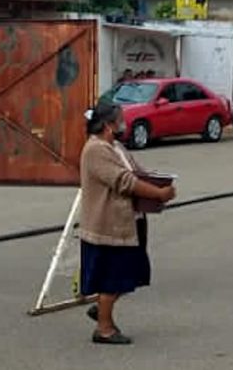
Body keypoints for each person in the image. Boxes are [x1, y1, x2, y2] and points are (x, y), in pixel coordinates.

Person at [79, 102, 176, 345]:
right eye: (120, 120)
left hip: (129, 223)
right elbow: (124, 181)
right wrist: (158, 194)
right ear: (107, 125)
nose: (124, 124)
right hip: (108, 226)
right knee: (112, 278)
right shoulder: (95, 150)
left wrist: (158, 182)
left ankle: (102, 308)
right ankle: (104, 329)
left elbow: (136, 173)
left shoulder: (116, 146)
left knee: (131, 273)